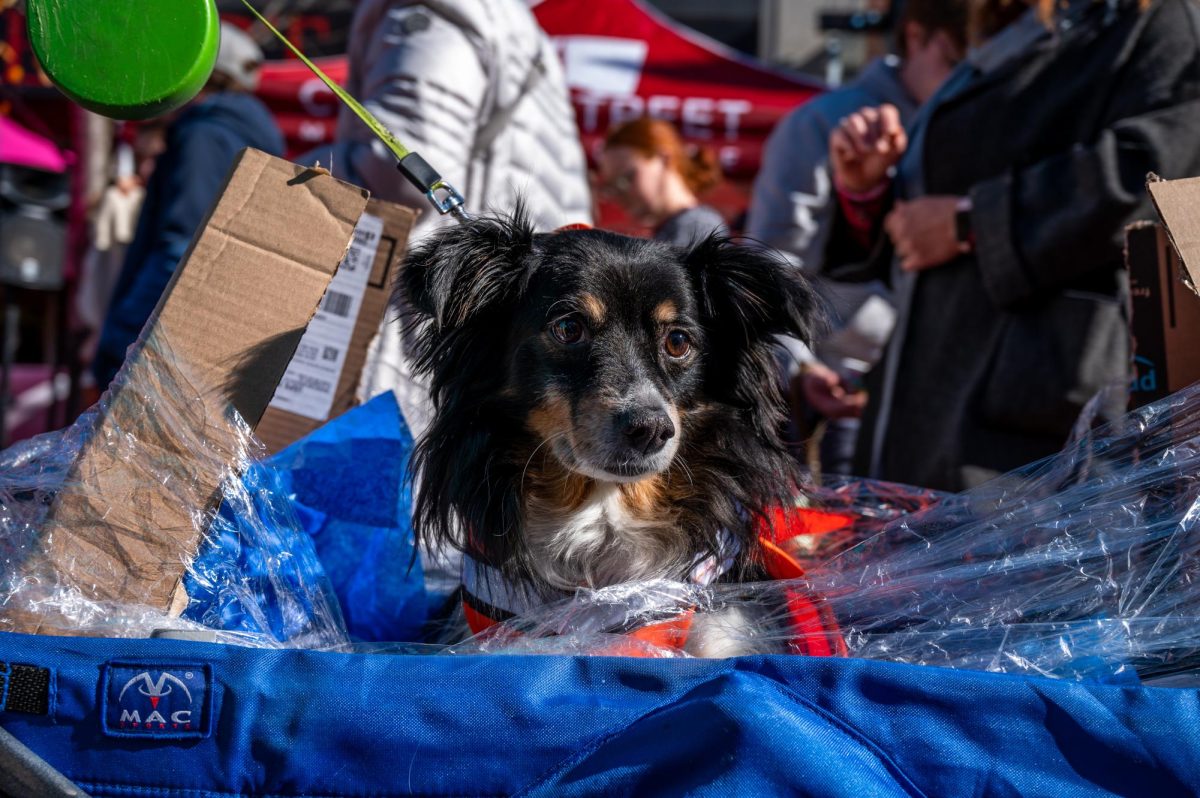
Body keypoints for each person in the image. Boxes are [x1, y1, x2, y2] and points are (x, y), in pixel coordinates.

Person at [825, 0, 1200, 491]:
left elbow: (1158, 173)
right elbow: (938, 209)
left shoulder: (1157, 20)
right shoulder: (1021, 28)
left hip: (1032, 437)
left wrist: (971, 224)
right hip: (935, 411)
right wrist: (870, 190)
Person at [314, 0, 593, 438]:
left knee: (373, 489)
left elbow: (400, 172)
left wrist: (284, 174)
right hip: (478, 332)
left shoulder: (436, 13)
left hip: (418, 324)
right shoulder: (513, 25)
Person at [745, 0, 969, 474]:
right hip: (845, 395)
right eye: (958, 59)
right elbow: (770, 275)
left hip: (952, 392)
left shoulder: (978, 126)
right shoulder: (819, 124)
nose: (970, 77)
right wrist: (802, 369)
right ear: (916, 37)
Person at [93, 24, 284, 387]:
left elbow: (179, 248)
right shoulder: (238, 132)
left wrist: (122, 338)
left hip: (162, 350)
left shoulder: (204, 135)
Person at [599, 117, 728, 245]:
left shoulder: (696, 227)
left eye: (627, 178)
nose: (620, 194)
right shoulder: (679, 228)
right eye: (612, 186)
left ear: (664, 159)